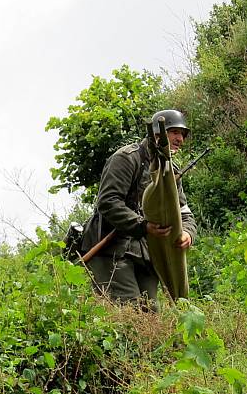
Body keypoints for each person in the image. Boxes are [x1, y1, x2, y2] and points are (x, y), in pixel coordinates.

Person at [82, 109, 196, 310]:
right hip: (111, 249)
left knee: (151, 312)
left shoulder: (171, 171)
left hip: (146, 253)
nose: (180, 139)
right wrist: (142, 225)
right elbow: (108, 201)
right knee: (129, 311)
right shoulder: (127, 158)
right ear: (158, 134)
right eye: (175, 132)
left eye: (183, 134)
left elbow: (184, 212)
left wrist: (187, 233)